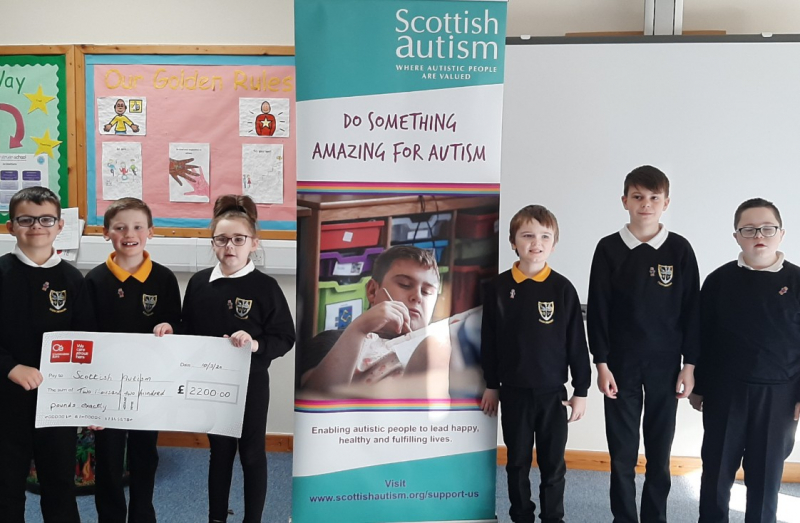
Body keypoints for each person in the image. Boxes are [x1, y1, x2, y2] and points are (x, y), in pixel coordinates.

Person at [154, 194, 295, 523]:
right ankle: (216, 517)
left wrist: (255, 344)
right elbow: (188, 325)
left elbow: (284, 337)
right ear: (213, 241)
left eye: (238, 239)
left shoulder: (266, 287)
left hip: (250, 384)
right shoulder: (201, 283)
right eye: (221, 239)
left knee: (251, 454)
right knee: (219, 452)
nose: (229, 246)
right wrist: (171, 326)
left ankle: (252, 519)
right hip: (210, 383)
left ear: (253, 244)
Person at [587, 165, 700, 523]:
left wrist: (690, 365)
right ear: (625, 201)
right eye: (638, 197)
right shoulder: (608, 249)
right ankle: (624, 517)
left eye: (654, 198)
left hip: (666, 366)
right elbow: (599, 310)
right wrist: (601, 364)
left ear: (666, 203)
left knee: (659, 451)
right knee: (622, 454)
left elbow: (692, 313)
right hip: (619, 366)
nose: (645, 204)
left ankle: (655, 517)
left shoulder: (680, 250)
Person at [691, 198, 800, 523]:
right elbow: (702, 337)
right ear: (737, 236)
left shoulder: (797, 282)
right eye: (749, 229)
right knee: (715, 475)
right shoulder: (718, 281)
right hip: (725, 395)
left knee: (765, 481)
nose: (759, 236)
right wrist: (700, 386)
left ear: (781, 233)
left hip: (779, 397)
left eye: (767, 228)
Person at [480, 204, 591, 523]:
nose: (536, 242)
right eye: (527, 235)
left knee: (553, 463)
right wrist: (492, 384)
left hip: (553, 394)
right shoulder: (498, 289)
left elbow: (576, 345)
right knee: (516, 461)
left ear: (554, 244)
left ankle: (553, 517)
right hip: (513, 393)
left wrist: (581, 389)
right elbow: (490, 340)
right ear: (513, 241)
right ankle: (521, 516)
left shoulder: (562, 289)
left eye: (545, 236)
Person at [0, 186, 93, 522]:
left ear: (58, 227)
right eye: (25, 219)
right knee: (6, 485)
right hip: (7, 400)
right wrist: (10, 367)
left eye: (45, 219)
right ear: (10, 227)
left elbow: (85, 343)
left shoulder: (72, 279)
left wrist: (89, 399)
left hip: (57, 403)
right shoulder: (1, 273)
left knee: (59, 486)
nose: (36, 226)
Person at [85, 197, 181, 523]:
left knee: (145, 454)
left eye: (138, 226)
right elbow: (87, 337)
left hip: (148, 386)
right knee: (109, 459)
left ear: (150, 232)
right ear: (105, 233)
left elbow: (177, 327)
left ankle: (143, 515)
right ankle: (110, 517)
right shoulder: (94, 281)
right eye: (120, 227)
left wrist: (169, 327)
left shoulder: (164, 279)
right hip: (108, 387)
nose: (130, 233)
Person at [297, 245, 451, 398]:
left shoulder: (441, 346)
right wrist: (358, 328)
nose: (417, 297)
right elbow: (314, 402)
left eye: (427, 292)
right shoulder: (336, 342)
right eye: (405, 285)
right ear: (372, 291)